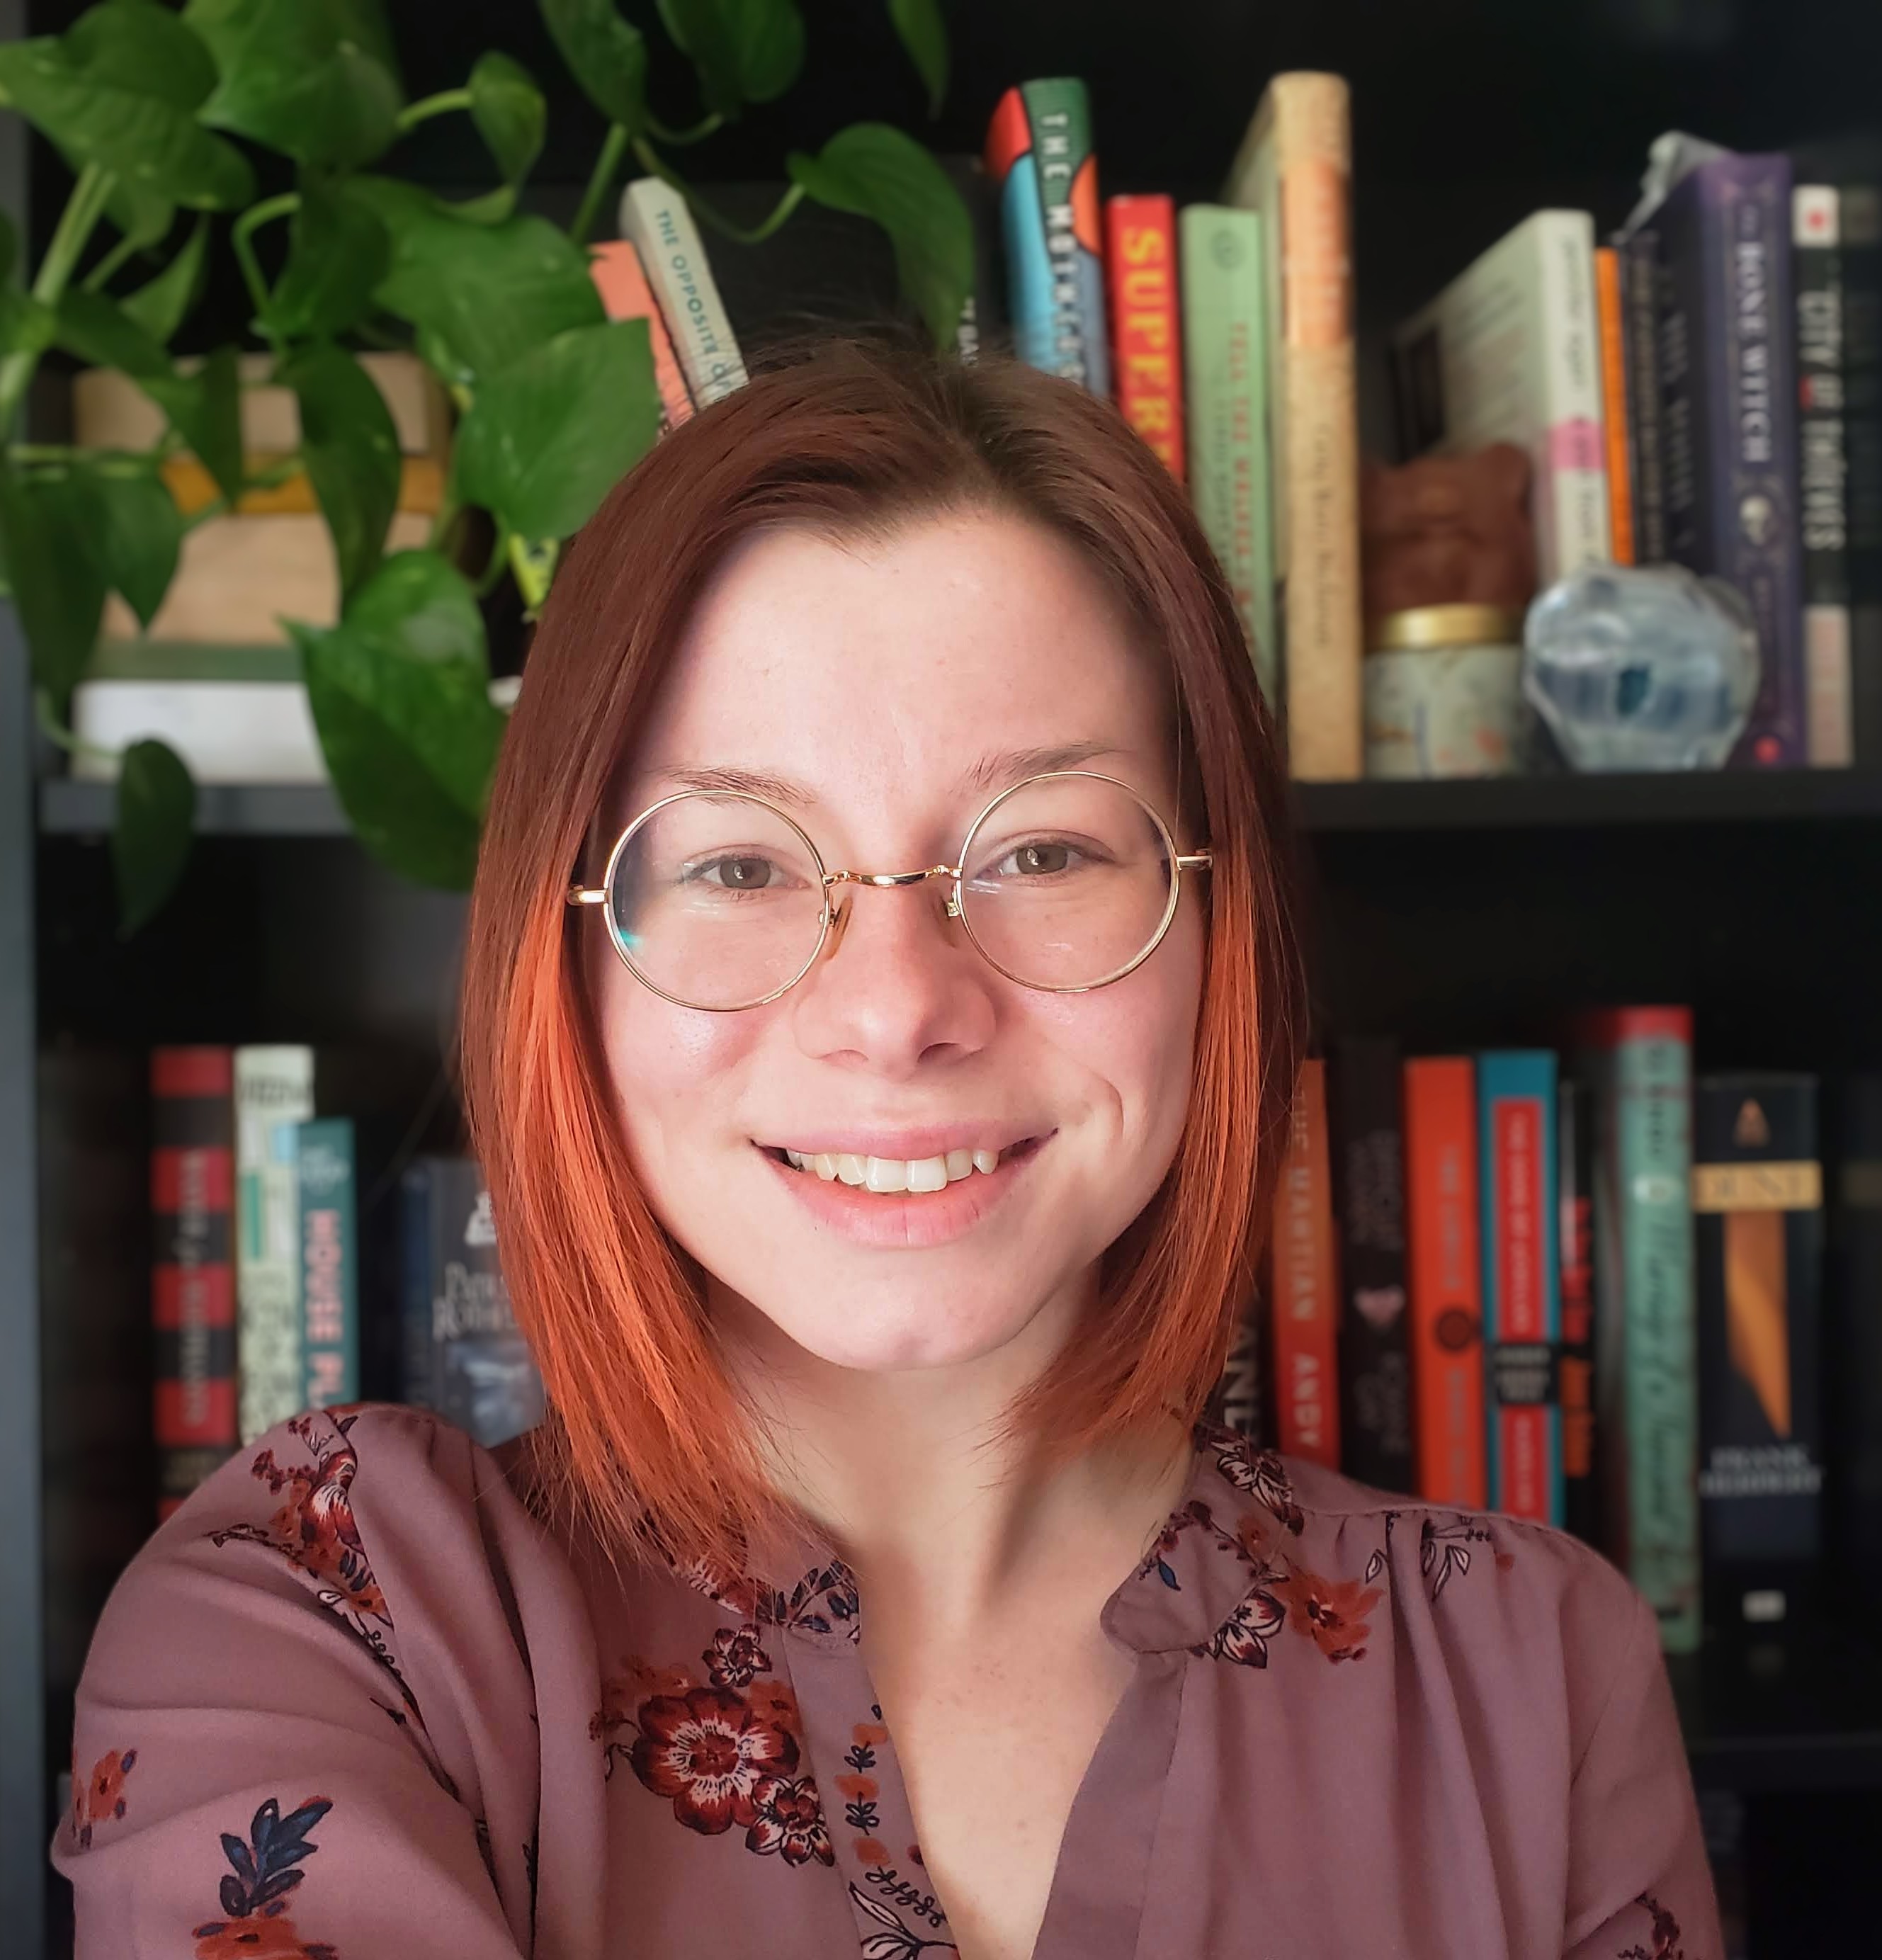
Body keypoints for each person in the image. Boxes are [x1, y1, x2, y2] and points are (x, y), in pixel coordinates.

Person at [54, 341, 1721, 1960]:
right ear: (561, 952)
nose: (896, 1008)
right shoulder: (324, 1623)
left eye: (1047, 847)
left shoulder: (1524, 1673)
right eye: (736, 866)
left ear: (1224, 926)